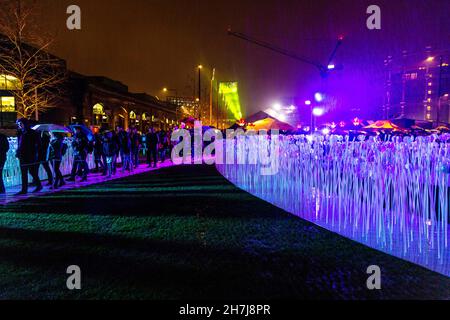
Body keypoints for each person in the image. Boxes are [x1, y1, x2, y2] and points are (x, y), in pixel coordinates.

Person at [15, 118, 42, 195]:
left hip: (30, 155)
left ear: (25, 124)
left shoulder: (32, 133)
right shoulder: (20, 133)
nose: (19, 125)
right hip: (22, 155)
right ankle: (24, 189)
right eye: (19, 124)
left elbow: (38, 144)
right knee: (24, 172)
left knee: (32, 171)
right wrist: (18, 152)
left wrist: (36, 154)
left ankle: (38, 185)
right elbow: (19, 144)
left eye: (21, 124)